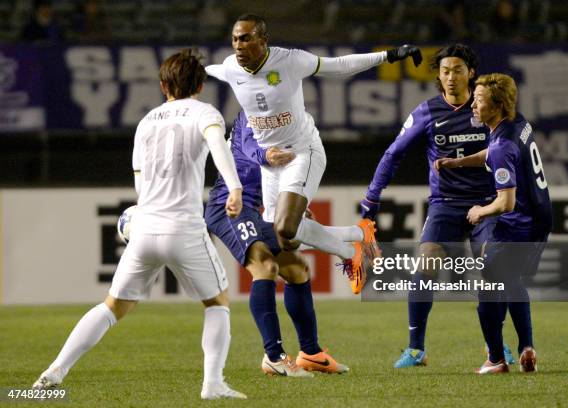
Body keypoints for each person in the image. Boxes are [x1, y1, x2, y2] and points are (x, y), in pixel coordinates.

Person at [33, 49, 247, 400]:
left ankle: (55, 370)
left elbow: (139, 185)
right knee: (217, 302)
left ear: (164, 85)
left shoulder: (146, 122)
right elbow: (216, 145)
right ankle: (212, 384)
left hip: (145, 227)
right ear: (201, 84)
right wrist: (234, 187)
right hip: (184, 228)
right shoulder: (206, 113)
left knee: (112, 307)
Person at [205, 13, 421, 294]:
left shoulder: (289, 61)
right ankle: (359, 235)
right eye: (235, 39)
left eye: (245, 38)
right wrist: (190, 68)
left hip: (301, 153)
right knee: (286, 241)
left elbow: (340, 65)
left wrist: (390, 55)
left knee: (285, 227)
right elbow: (210, 69)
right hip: (271, 168)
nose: (238, 45)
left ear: (263, 40)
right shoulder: (231, 67)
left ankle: (351, 254)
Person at [360, 44, 507, 368]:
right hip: (445, 204)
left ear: (471, 73)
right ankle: (416, 349)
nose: (450, 77)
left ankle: (495, 349)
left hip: (487, 204)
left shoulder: (488, 109)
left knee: (493, 269)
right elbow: (393, 154)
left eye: (456, 70)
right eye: (444, 71)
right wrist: (373, 195)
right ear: (438, 76)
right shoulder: (427, 112)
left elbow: (513, 150)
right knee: (426, 263)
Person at [206, 110, 361, 376]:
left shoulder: (283, 121)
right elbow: (249, 147)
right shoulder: (252, 110)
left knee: (297, 269)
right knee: (265, 266)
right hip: (229, 206)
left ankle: (311, 353)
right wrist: (266, 156)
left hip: (255, 208)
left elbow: (279, 176)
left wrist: (291, 206)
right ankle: (274, 356)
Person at [436, 73, 552, 374]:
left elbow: (506, 202)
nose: (473, 105)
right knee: (511, 281)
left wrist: (479, 212)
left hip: (518, 223)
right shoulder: (517, 124)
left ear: (498, 105)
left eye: (479, 100)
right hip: (540, 217)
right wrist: (458, 162)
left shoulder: (502, 146)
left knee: (489, 285)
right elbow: (497, 153)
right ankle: (527, 348)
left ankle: (496, 359)